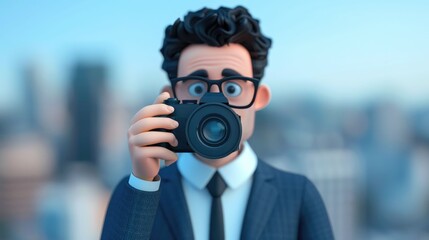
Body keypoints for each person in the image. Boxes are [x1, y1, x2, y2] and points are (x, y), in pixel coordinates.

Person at [102, 6, 334, 240]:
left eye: (232, 87)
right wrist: (143, 184)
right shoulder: (138, 191)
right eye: (197, 88)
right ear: (169, 97)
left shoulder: (298, 194)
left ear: (259, 97)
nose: (216, 104)